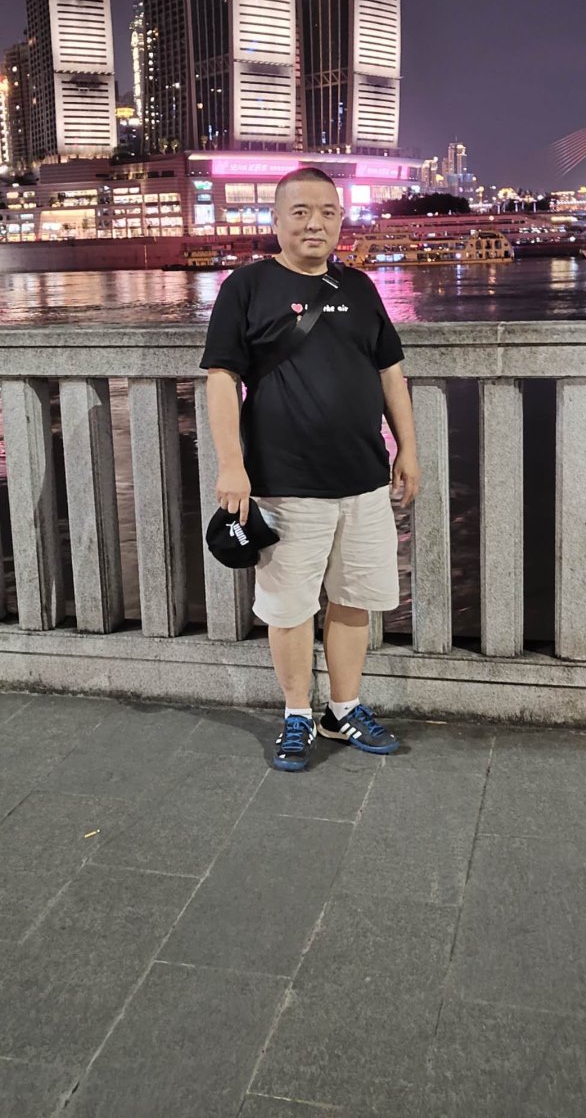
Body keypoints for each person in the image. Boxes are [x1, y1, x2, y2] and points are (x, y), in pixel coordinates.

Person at [200, 167, 420, 771]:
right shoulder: (246, 286)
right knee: (290, 607)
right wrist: (231, 464)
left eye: (327, 211)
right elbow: (221, 379)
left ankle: (342, 709)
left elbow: (390, 373)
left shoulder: (361, 287)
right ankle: (297, 713)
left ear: (341, 221)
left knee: (354, 601)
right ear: (275, 220)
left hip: (364, 478)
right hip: (285, 480)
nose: (314, 223)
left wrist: (408, 447)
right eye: (299, 212)